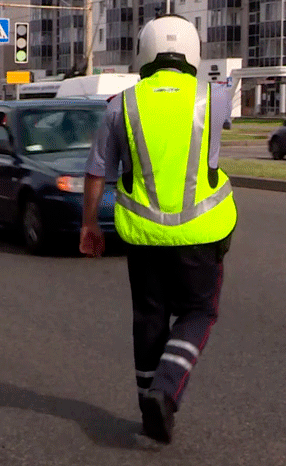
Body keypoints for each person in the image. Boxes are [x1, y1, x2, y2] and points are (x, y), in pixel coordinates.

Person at [79, 14, 237, 445]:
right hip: (202, 232)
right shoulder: (213, 97)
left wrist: (90, 224)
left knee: (149, 316)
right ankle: (165, 390)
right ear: (192, 52)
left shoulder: (120, 105)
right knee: (199, 311)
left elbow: (97, 172)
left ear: (143, 53)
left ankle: (148, 402)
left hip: (143, 234)